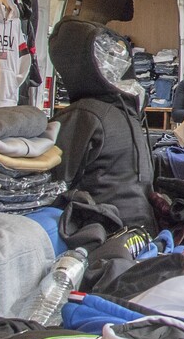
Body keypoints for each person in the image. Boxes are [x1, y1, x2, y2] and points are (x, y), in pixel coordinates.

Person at [49, 19, 157, 234]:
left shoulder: (85, 114)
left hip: (104, 229)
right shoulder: (126, 111)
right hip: (141, 229)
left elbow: (53, 181)